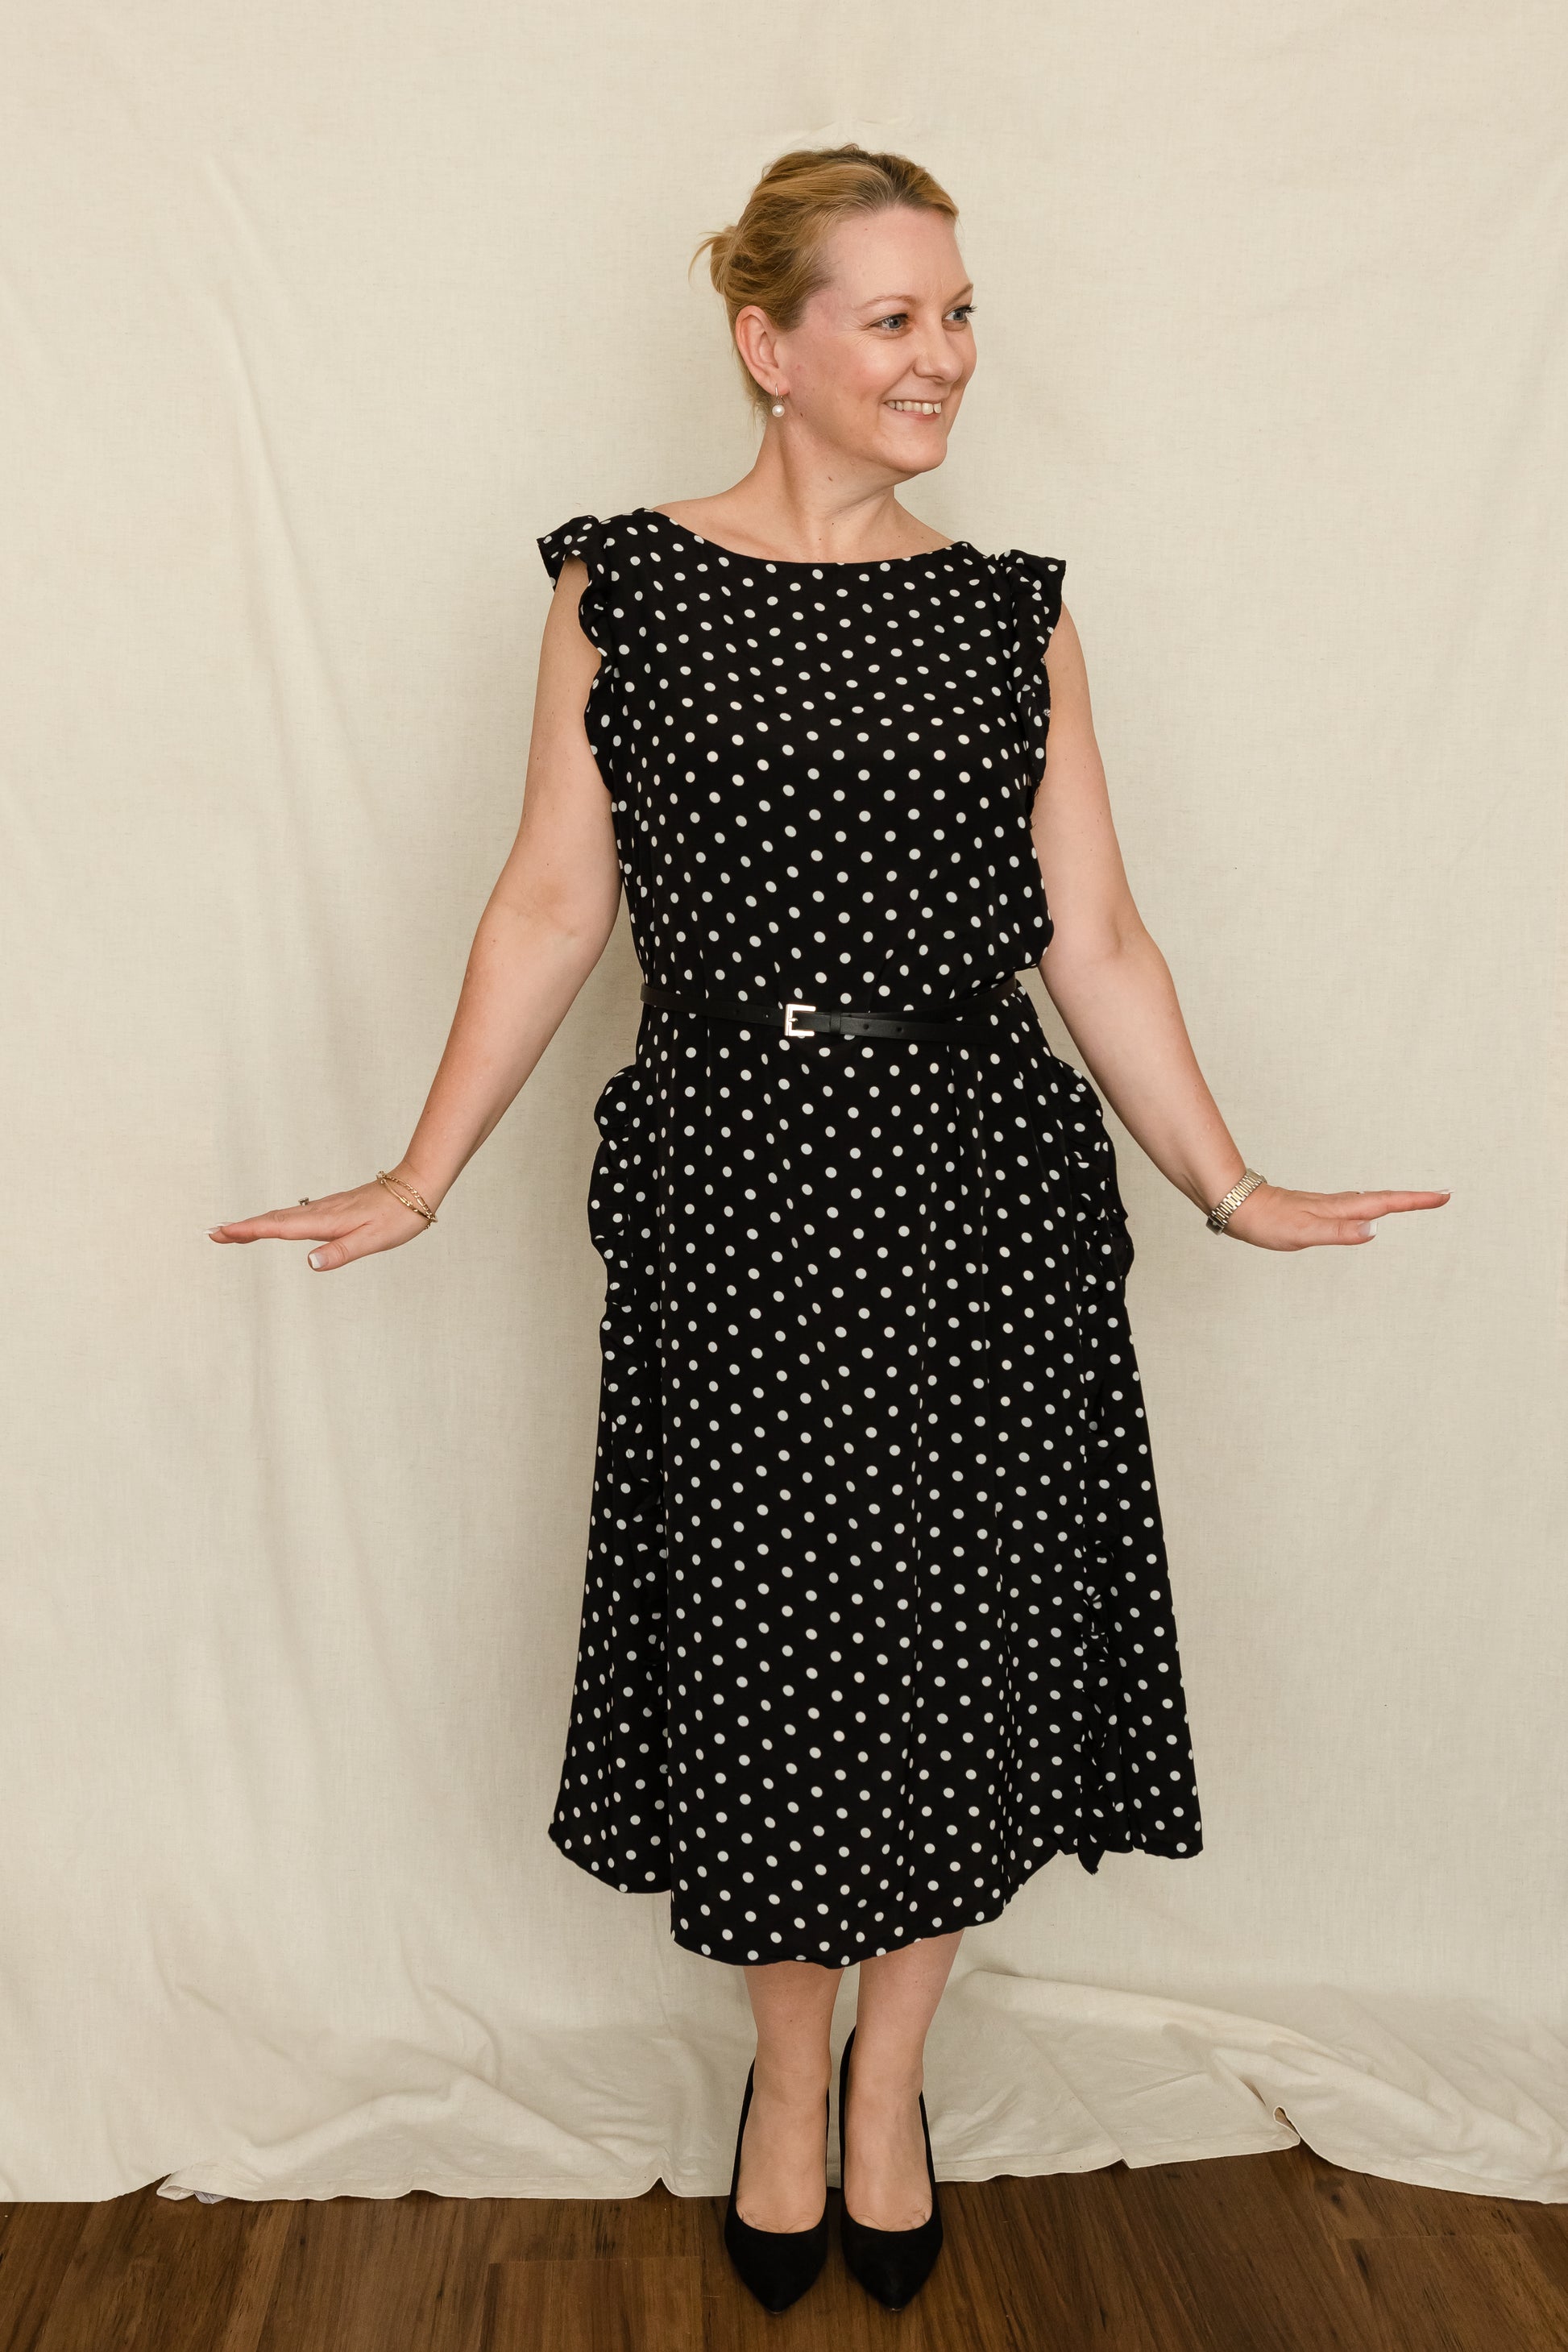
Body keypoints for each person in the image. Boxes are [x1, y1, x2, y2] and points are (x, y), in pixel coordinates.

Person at [209, 143, 1450, 2314]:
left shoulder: (1010, 613)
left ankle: (896, 2082)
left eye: (957, 313)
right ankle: (786, 2085)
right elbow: (552, 900)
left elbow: (1095, 935)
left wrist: (1228, 1182)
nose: (942, 356)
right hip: (736, 1190)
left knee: (958, 1651)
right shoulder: (623, 587)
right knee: (772, 1649)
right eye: (893, 317)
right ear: (766, 346)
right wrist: (417, 1173)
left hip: (981, 1195)